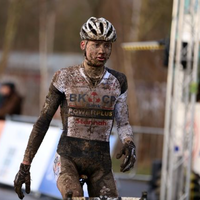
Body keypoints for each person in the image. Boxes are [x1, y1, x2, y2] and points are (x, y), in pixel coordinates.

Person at [14, 17, 136, 199]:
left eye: (107, 45)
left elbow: (123, 122)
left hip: (100, 163)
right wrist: (25, 165)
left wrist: (128, 142)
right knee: (74, 196)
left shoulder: (118, 81)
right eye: (96, 45)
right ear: (83, 45)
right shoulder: (64, 77)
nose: (102, 50)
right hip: (68, 158)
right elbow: (42, 122)